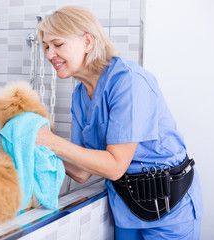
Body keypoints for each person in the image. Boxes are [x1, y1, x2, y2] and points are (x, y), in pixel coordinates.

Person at [35, 5, 203, 240]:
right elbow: (82, 171)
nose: (50, 54)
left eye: (58, 44)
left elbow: (114, 166)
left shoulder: (128, 82)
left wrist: (51, 142)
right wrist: (33, 145)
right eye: (46, 47)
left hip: (170, 208)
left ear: (87, 41)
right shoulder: (79, 95)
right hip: (126, 206)